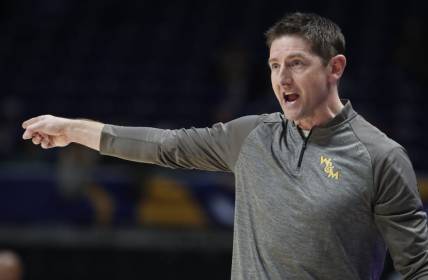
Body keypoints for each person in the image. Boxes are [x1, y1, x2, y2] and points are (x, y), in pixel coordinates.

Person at [21, 12, 428, 279]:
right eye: (274, 65)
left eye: (297, 63)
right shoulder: (252, 135)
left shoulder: (381, 157)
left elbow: (417, 265)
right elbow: (165, 145)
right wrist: (73, 130)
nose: (282, 78)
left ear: (335, 68)